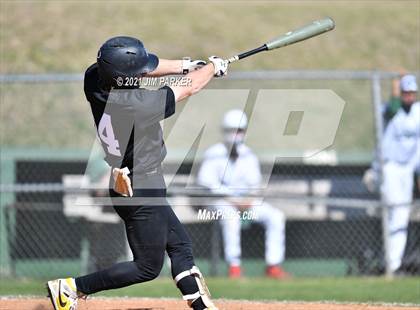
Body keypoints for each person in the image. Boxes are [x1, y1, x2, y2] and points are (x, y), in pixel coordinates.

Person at [46, 36, 229, 310]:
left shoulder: (94, 78)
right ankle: (71, 289)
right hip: (142, 187)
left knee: (179, 244)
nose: (144, 74)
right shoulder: (136, 104)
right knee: (146, 267)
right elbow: (188, 88)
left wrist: (184, 64)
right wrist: (212, 68)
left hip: (128, 180)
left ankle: (199, 303)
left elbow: (142, 68)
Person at [197, 109, 289, 279]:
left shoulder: (248, 154)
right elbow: (206, 183)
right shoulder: (214, 153)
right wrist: (232, 199)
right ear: (224, 131)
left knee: (275, 216)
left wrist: (249, 199)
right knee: (231, 217)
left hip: (247, 203)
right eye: (232, 130)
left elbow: (254, 184)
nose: (236, 135)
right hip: (220, 203)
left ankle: (273, 265)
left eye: (239, 131)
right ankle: (235, 267)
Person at [381, 74, 420, 273]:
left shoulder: (417, 111)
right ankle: (390, 262)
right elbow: (392, 109)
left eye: (412, 93)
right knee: (394, 212)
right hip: (390, 167)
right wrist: (395, 86)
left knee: (401, 214)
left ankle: (393, 264)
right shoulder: (392, 108)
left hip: (407, 168)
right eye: (406, 93)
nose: (409, 97)